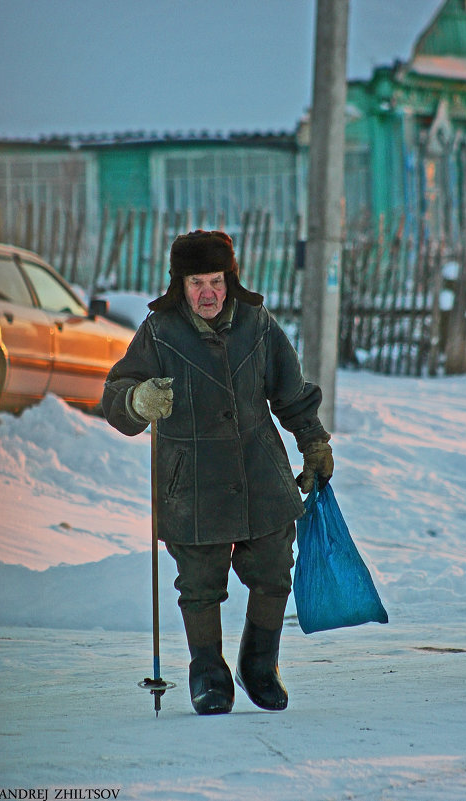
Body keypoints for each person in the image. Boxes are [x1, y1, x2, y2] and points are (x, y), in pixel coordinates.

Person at [102, 230, 333, 715]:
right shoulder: (159, 331)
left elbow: (289, 391)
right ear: (179, 285)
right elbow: (116, 390)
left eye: (216, 280)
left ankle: (259, 664)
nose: (208, 292)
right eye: (195, 282)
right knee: (201, 583)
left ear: (231, 279)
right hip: (191, 481)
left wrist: (312, 441)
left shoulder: (258, 323)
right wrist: (136, 400)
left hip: (260, 471)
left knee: (273, 571)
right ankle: (208, 672)